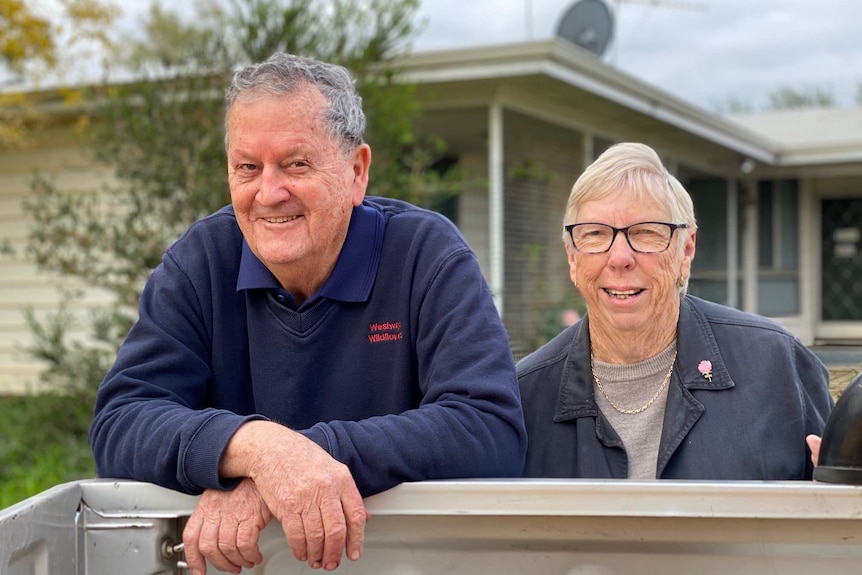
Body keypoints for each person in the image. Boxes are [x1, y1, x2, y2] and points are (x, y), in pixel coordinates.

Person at [89, 53, 527, 574]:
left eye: (296, 163)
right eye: (248, 167)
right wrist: (255, 448)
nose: (269, 193)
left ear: (357, 171)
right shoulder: (201, 261)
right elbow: (121, 421)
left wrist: (303, 460)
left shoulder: (427, 257)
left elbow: (489, 431)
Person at [517, 142, 833, 481]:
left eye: (646, 232)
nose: (620, 257)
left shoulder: (775, 366)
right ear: (572, 257)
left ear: (687, 249)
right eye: (595, 234)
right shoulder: (525, 396)